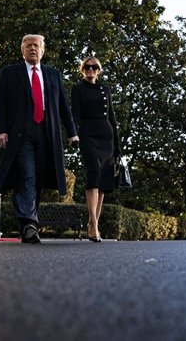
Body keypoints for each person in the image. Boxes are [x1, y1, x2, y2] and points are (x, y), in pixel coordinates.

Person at [0, 34, 79, 244]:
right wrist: (1, 131)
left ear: (43, 50)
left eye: (36, 45)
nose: (33, 48)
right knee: (26, 175)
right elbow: (0, 105)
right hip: (20, 134)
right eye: (28, 45)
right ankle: (30, 224)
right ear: (22, 50)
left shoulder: (52, 74)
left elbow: (63, 106)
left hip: (47, 133)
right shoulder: (10, 73)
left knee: (38, 178)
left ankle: (27, 225)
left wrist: (73, 132)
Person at [71, 57, 120, 243]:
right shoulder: (77, 88)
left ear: (99, 70)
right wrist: (73, 133)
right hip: (88, 136)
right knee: (94, 174)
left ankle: (94, 224)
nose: (91, 70)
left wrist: (118, 147)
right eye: (87, 67)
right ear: (82, 70)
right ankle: (93, 224)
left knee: (103, 181)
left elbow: (113, 118)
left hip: (106, 137)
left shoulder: (105, 89)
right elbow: (75, 113)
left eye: (94, 67)